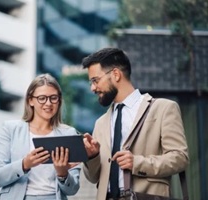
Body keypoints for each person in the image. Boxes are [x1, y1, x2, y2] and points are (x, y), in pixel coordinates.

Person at [81, 48, 189, 200]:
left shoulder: (163, 108)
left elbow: (180, 158)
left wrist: (137, 163)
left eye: (95, 80)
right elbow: (93, 178)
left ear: (116, 74)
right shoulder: (100, 123)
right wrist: (92, 157)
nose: (92, 88)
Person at [0, 73, 81, 200]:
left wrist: (62, 173)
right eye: (42, 98)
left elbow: (73, 190)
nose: (48, 103)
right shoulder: (10, 129)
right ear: (30, 100)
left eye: (53, 98)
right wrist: (24, 164)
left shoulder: (69, 134)